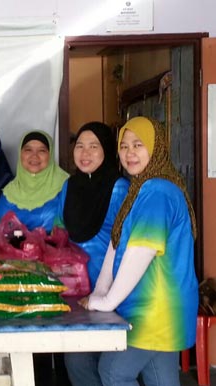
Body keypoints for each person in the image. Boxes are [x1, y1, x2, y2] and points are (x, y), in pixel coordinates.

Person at [66, 116, 198, 386]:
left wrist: (106, 301)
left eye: (138, 145)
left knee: (114, 371)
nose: (129, 153)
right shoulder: (142, 188)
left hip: (155, 308)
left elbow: (141, 251)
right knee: (160, 378)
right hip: (156, 308)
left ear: (156, 147)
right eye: (124, 146)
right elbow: (117, 246)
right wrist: (99, 293)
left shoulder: (157, 190)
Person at [56, 122, 129, 289]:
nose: (85, 153)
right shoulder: (69, 185)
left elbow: (127, 246)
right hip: (71, 283)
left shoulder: (119, 189)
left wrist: (109, 293)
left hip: (109, 286)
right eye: (79, 146)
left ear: (107, 150)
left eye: (93, 146)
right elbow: (59, 229)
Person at [0, 130, 69, 232]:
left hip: (55, 247)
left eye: (42, 151)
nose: (34, 156)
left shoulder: (65, 187)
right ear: (20, 154)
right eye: (28, 150)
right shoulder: (9, 193)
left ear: (50, 155)